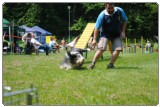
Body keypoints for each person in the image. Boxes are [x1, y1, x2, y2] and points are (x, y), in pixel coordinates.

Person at [87, 3, 128, 69]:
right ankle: (92, 64)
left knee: (118, 49)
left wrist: (123, 31)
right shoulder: (102, 15)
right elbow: (97, 28)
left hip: (117, 34)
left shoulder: (119, 11)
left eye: (112, 8)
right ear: (105, 7)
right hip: (105, 35)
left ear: (114, 6)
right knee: (101, 49)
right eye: (109, 8)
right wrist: (94, 39)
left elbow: (125, 21)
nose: (111, 9)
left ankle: (111, 65)